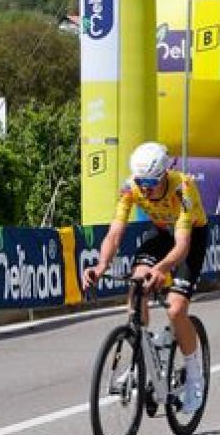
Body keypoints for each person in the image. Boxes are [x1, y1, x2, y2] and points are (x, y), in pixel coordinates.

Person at [82, 142, 208, 413]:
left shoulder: (182, 187)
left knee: (176, 310)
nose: (146, 188)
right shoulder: (130, 187)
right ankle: (143, 357)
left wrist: (161, 269)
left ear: (163, 175)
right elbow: (115, 233)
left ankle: (195, 377)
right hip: (162, 234)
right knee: (137, 288)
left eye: (151, 182)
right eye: (142, 182)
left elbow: (183, 245)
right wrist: (101, 265)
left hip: (190, 238)